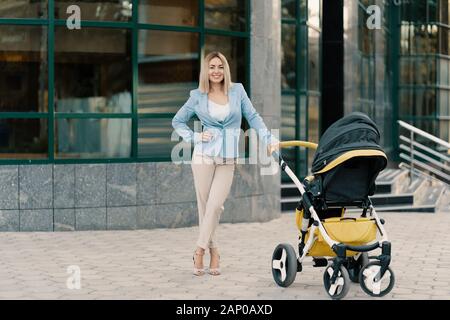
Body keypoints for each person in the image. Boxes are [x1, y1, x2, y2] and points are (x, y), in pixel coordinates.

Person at [172, 52, 279, 276]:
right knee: (204, 206)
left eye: (220, 66)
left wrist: (269, 140)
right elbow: (178, 121)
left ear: (225, 69)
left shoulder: (237, 90)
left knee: (215, 206)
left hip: (228, 157)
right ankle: (215, 251)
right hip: (203, 156)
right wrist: (194, 137)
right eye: (212, 67)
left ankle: (200, 249)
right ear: (206, 70)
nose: (216, 71)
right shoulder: (197, 95)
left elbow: (253, 117)